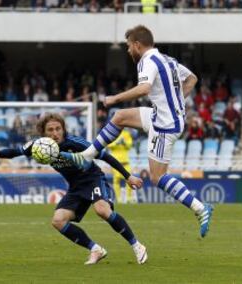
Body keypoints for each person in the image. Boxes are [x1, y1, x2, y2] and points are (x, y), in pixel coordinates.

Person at [61, 25, 213, 238]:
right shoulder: (166, 59)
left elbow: (144, 89)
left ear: (137, 44)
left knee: (158, 178)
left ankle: (200, 208)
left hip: (164, 125)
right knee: (119, 117)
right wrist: (176, 102)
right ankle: (86, 156)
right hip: (162, 116)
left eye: (128, 46)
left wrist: (115, 98)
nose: (127, 51)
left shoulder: (147, 61)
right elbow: (192, 78)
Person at [0, 113, 147, 265]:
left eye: (58, 129)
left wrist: (128, 176)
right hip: (75, 188)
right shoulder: (39, 146)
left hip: (93, 179)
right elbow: (16, 151)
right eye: (50, 130)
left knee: (102, 210)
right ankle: (96, 250)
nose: (55, 133)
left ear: (63, 129)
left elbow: (105, 156)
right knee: (58, 220)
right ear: (43, 133)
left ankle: (136, 245)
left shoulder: (75, 143)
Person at [107, 129, 134, 203]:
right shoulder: (112, 132)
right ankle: (119, 199)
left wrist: (124, 143)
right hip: (115, 162)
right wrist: (116, 143)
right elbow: (108, 145)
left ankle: (129, 198)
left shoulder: (126, 133)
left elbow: (130, 145)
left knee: (129, 179)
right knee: (116, 181)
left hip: (125, 161)